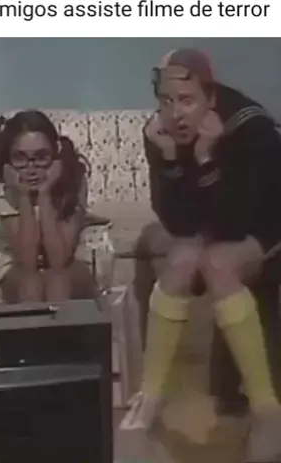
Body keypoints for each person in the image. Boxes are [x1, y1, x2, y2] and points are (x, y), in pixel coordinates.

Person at [119, 49, 281, 462]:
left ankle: (266, 411)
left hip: (266, 223)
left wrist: (207, 157)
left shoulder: (251, 127)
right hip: (216, 224)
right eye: (166, 100)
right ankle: (149, 400)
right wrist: (172, 159)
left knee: (218, 263)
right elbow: (178, 221)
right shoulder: (159, 132)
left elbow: (238, 222)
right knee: (179, 262)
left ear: (211, 97)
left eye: (187, 100)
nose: (175, 113)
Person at [0, 110, 96, 303]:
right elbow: (27, 260)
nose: (31, 168)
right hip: (11, 264)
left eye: (41, 157)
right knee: (30, 285)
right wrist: (23, 195)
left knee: (58, 282)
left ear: (55, 154)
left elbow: (60, 258)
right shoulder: (4, 185)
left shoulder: (73, 178)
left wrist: (45, 193)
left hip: (68, 262)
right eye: (20, 158)